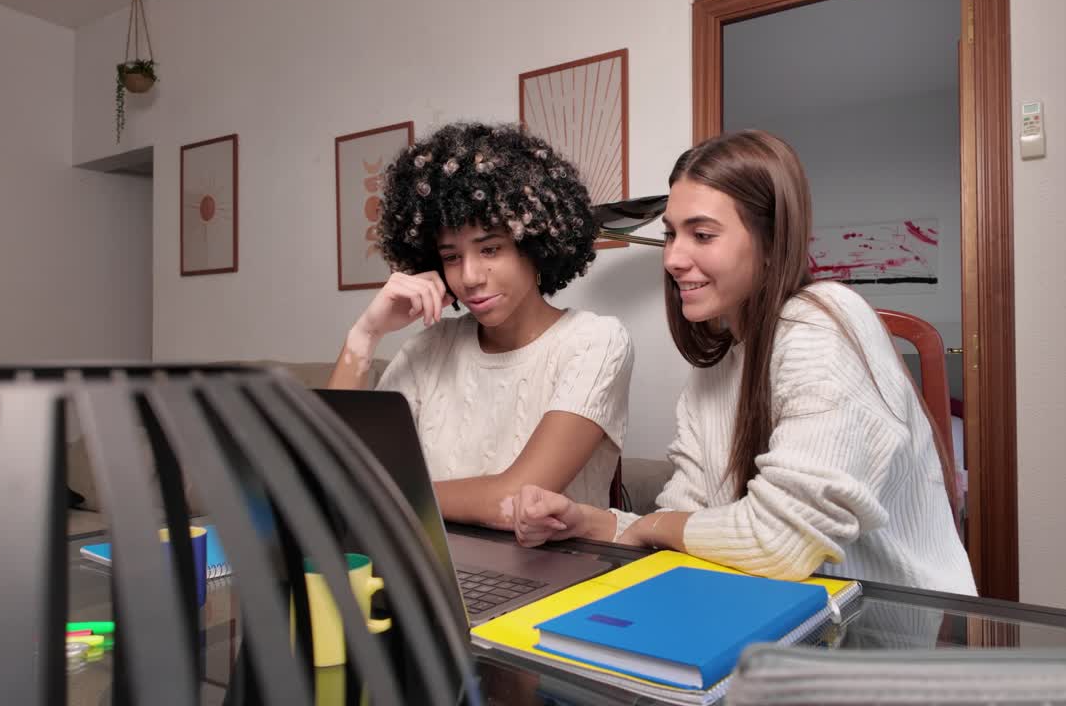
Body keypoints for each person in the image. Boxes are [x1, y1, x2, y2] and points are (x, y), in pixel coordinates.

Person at [512, 130, 976, 594]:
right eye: (671, 234)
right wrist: (591, 522)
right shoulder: (715, 369)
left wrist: (650, 528)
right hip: (775, 614)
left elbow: (780, 541)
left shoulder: (824, 322)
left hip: (887, 634)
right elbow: (688, 519)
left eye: (703, 235)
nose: (673, 258)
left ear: (772, 243)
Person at [328, 123, 633, 531]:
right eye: (451, 257)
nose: (470, 276)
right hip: (436, 571)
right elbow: (327, 473)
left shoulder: (595, 342)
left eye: (490, 249)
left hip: (557, 580)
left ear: (535, 246)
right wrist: (365, 335)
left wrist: (385, 492)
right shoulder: (429, 348)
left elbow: (519, 496)